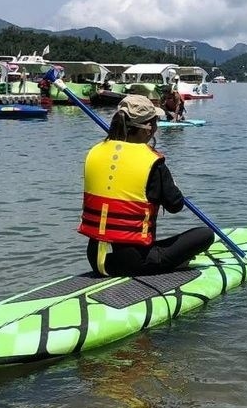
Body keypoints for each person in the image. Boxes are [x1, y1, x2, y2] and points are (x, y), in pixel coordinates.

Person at [79, 94, 214, 277]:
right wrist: (170, 183)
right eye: (155, 123)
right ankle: (172, 264)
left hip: (95, 259)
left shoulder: (95, 152)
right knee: (205, 235)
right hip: (135, 263)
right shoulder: (153, 163)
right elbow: (175, 205)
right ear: (147, 129)